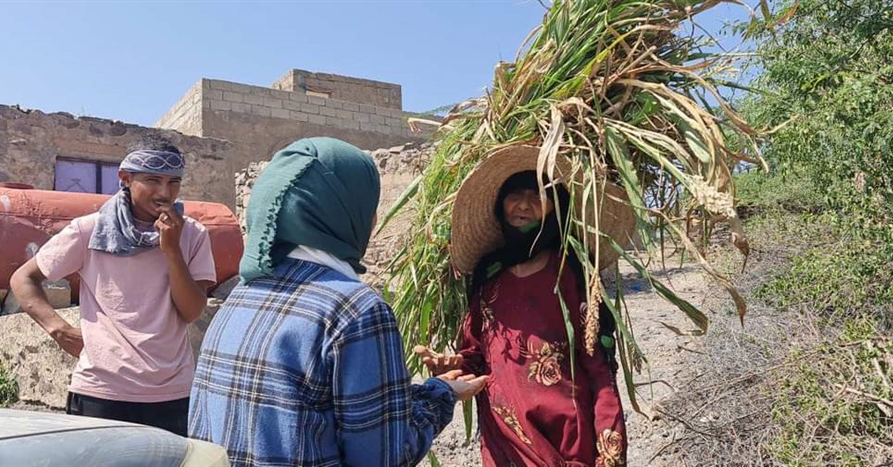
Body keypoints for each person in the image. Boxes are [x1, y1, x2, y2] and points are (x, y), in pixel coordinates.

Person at [188, 137, 488, 467]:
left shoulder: (241, 297)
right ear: (348, 214)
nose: (373, 221)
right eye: (368, 208)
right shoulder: (356, 310)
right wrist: (439, 395)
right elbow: (382, 457)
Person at [415, 146, 633, 466]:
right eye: (515, 194)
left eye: (539, 195)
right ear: (501, 204)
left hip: (568, 442)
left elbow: (599, 367)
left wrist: (609, 445)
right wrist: (453, 365)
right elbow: (479, 356)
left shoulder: (571, 272)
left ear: (556, 207)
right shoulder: (488, 276)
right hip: (506, 444)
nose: (525, 204)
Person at [10, 135, 216, 436]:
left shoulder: (193, 235)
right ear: (125, 178)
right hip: (100, 392)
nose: (164, 192)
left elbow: (191, 311)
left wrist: (171, 250)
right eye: (152, 180)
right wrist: (58, 328)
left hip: (172, 394)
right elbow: (23, 278)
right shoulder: (89, 230)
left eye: (174, 182)